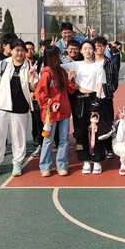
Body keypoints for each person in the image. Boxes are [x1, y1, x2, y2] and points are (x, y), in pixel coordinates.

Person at [0, 39, 35, 178]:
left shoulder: (29, 66)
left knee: (19, 138)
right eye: (17, 50)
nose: (20, 53)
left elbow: (34, 88)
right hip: (2, 106)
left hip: (20, 108)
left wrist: (33, 76)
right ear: (11, 50)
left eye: (22, 50)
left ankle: (17, 163)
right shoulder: (3, 64)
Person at [35, 45, 77, 177]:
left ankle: (62, 165)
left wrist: (70, 80)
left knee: (64, 139)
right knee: (49, 139)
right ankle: (45, 166)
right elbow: (40, 94)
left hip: (64, 110)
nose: (61, 56)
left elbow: (70, 90)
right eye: (59, 54)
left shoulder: (62, 71)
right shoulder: (47, 73)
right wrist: (52, 103)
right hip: (51, 113)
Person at [69, 40, 107, 174]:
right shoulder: (76, 65)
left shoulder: (98, 66)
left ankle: (97, 160)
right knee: (80, 130)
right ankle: (85, 160)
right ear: (81, 51)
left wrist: (97, 100)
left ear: (94, 50)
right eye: (85, 48)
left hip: (94, 98)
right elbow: (58, 67)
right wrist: (70, 78)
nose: (87, 51)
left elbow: (100, 84)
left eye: (90, 48)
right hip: (79, 99)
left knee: (96, 130)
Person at [93, 36, 120, 158]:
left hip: (107, 97)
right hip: (93, 97)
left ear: (105, 48)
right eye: (97, 46)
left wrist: (110, 91)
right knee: (94, 123)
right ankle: (96, 147)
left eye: (102, 46)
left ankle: (108, 147)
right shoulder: (89, 62)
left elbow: (115, 80)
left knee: (108, 122)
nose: (100, 48)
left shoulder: (110, 63)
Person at [25, 41, 44, 158]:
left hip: (36, 96)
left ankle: (38, 139)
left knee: (36, 119)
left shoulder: (38, 61)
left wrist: (34, 91)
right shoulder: (21, 62)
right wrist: (30, 91)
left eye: (32, 49)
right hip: (25, 95)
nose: (30, 51)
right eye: (27, 49)